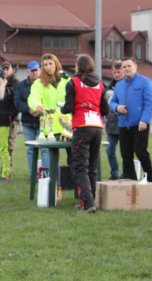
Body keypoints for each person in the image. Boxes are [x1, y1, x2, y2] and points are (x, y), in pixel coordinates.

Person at [61, 54, 109, 213]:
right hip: (97, 127)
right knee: (92, 167)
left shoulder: (73, 82)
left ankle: (87, 204)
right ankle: (91, 201)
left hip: (82, 126)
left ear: (78, 66)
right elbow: (105, 110)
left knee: (80, 167)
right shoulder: (101, 84)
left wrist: (62, 108)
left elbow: (68, 107)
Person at [28, 53, 72, 195]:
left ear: (56, 64)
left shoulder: (67, 80)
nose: (48, 67)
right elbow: (33, 97)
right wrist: (37, 106)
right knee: (49, 161)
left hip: (68, 126)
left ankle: (79, 188)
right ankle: (53, 188)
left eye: (50, 64)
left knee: (75, 159)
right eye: (45, 65)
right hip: (49, 128)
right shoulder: (38, 83)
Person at [110, 57, 152, 182]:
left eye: (129, 66)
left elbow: (149, 103)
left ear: (135, 67)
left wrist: (144, 120)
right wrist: (117, 107)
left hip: (140, 124)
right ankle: (131, 181)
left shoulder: (145, 82)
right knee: (126, 155)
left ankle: (150, 177)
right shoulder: (119, 85)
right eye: (124, 67)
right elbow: (112, 102)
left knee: (140, 151)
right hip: (123, 125)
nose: (126, 68)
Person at [14, 60, 49, 180]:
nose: (34, 73)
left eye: (36, 70)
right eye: (32, 71)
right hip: (28, 123)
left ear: (40, 70)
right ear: (28, 72)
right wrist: (28, 109)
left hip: (43, 123)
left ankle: (45, 176)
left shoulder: (45, 84)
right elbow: (17, 102)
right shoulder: (21, 85)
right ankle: (32, 176)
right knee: (30, 150)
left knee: (45, 149)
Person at [104, 61, 123, 180]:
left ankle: (127, 173)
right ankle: (114, 173)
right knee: (109, 150)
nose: (116, 74)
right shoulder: (109, 87)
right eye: (114, 72)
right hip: (111, 125)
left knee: (126, 152)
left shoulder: (127, 85)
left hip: (124, 124)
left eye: (118, 72)